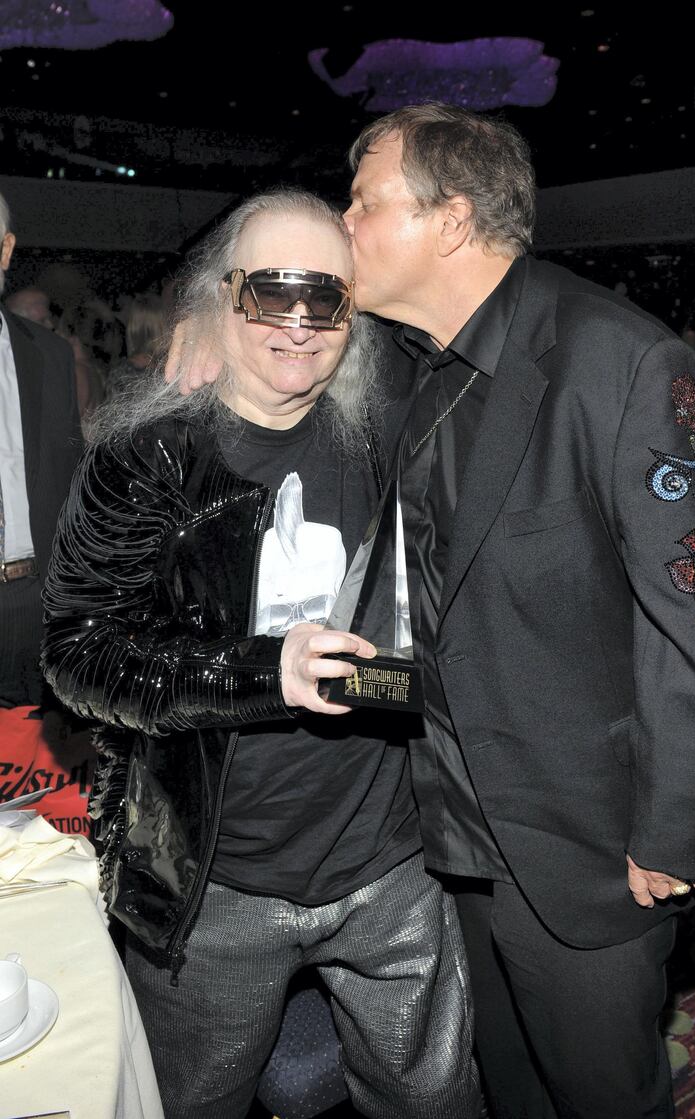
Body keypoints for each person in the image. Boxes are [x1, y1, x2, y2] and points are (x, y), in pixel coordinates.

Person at [168, 105, 695, 1119]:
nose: (342, 222)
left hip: (589, 841)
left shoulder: (620, 363)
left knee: (598, 1095)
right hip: (453, 831)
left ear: (447, 218)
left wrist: (678, 836)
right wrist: (213, 324)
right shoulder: (414, 364)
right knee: (506, 1083)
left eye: (363, 201)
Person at [41, 189, 481, 1119]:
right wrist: (259, 671)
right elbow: (80, 654)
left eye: (323, 296)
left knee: (435, 1100)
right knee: (196, 1102)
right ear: (220, 297)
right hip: (218, 884)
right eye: (268, 292)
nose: (296, 322)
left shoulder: (385, 432)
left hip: (393, 865)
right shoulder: (148, 458)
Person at [0, 192, 86, 785]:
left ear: (4, 251)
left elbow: (71, 479)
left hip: (30, 601)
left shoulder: (51, 356)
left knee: (31, 788)